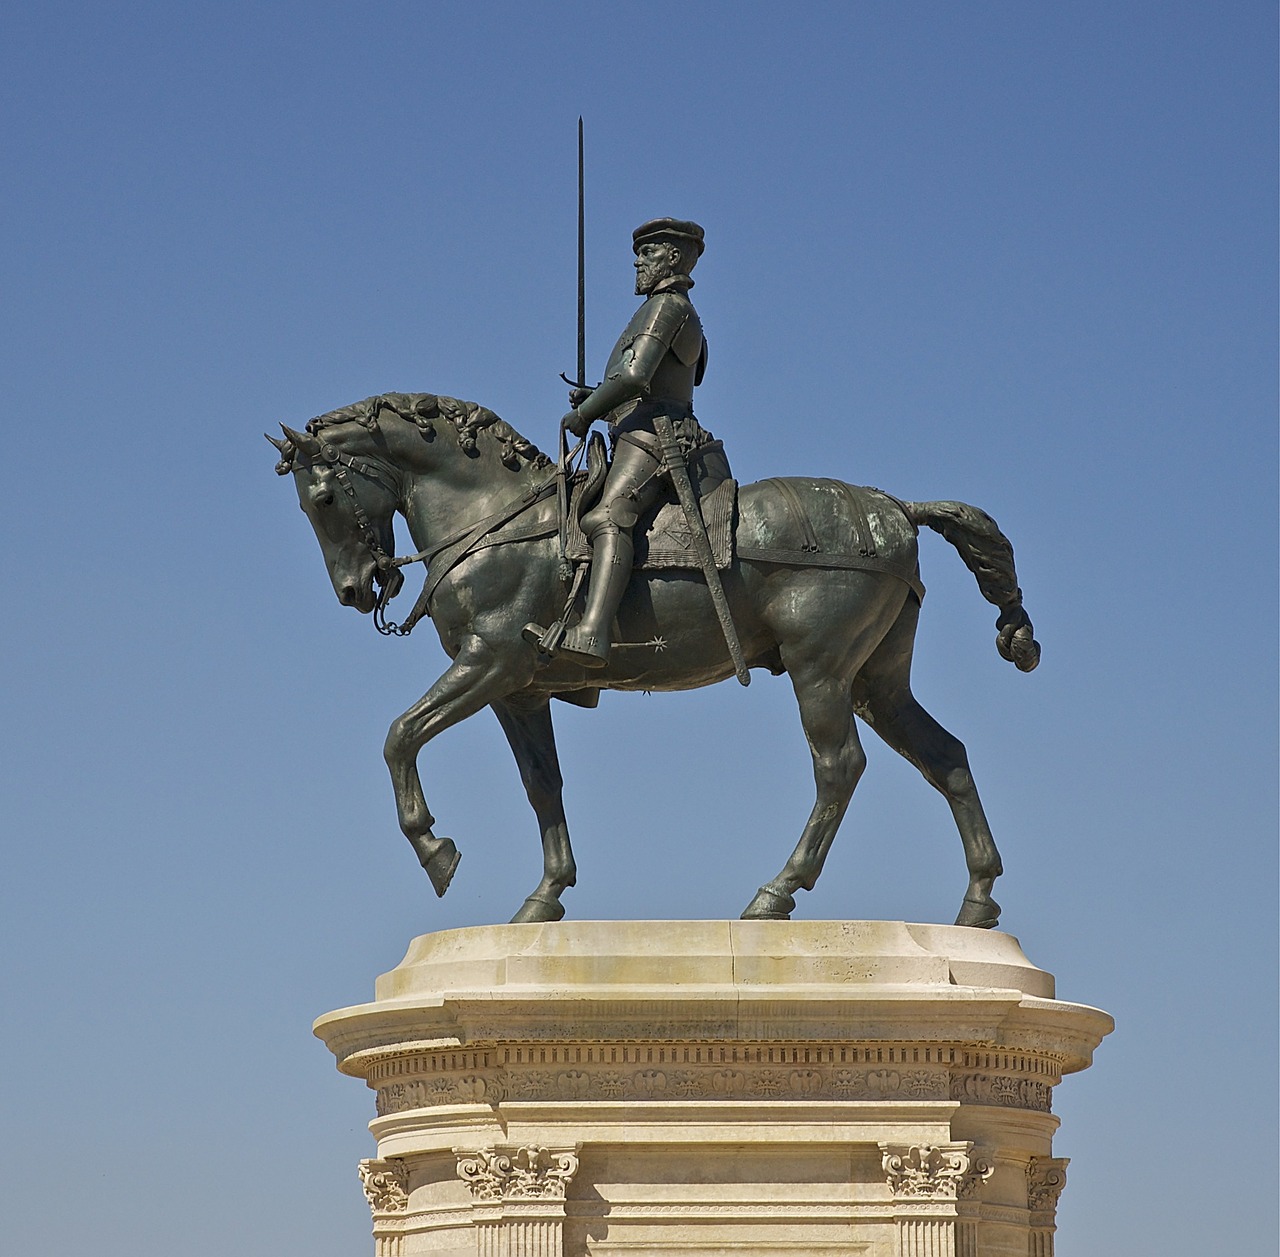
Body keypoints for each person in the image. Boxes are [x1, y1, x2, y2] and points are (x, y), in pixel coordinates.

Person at [537, 217, 717, 668]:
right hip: (640, 427)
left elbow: (636, 377)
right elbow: (641, 380)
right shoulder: (667, 307)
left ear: (674, 257)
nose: (638, 262)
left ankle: (593, 633)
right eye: (638, 254)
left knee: (607, 517)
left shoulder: (668, 307)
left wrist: (584, 413)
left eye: (648, 253)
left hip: (655, 437)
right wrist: (597, 395)